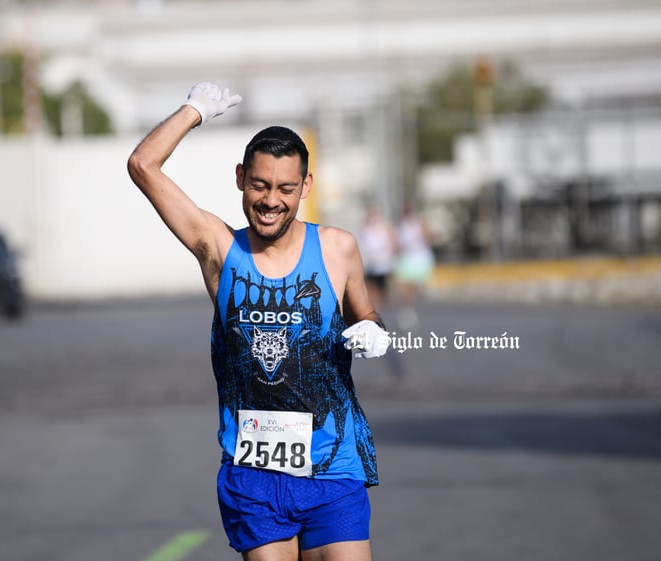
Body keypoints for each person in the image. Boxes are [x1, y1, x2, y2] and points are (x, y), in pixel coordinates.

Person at [127, 82, 391, 561]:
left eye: (287, 188)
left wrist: (374, 328)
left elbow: (366, 313)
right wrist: (193, 111)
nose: (272, 200)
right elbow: (143, 166)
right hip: (254, 475)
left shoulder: (337, 249)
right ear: (241, 179)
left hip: (333, 465)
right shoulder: (219, 248)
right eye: (260, 185)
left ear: (305, 187)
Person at [394, 204, 434, 328]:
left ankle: (410, 307)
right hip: (407, 259)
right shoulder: (401, 226)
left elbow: (429, 237)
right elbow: (397, 243)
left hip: (419, 259)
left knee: (412, 287)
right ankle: (408, 311)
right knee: (405, 286)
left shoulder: (419, 224)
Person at [355, 206, 398, 311]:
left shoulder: (384, 228)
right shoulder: (364, 230)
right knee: (371, 286)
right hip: (370, 263)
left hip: (383, 262)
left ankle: (383, 300)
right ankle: (375, 306)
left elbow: (393, 242)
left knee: (382, 286)